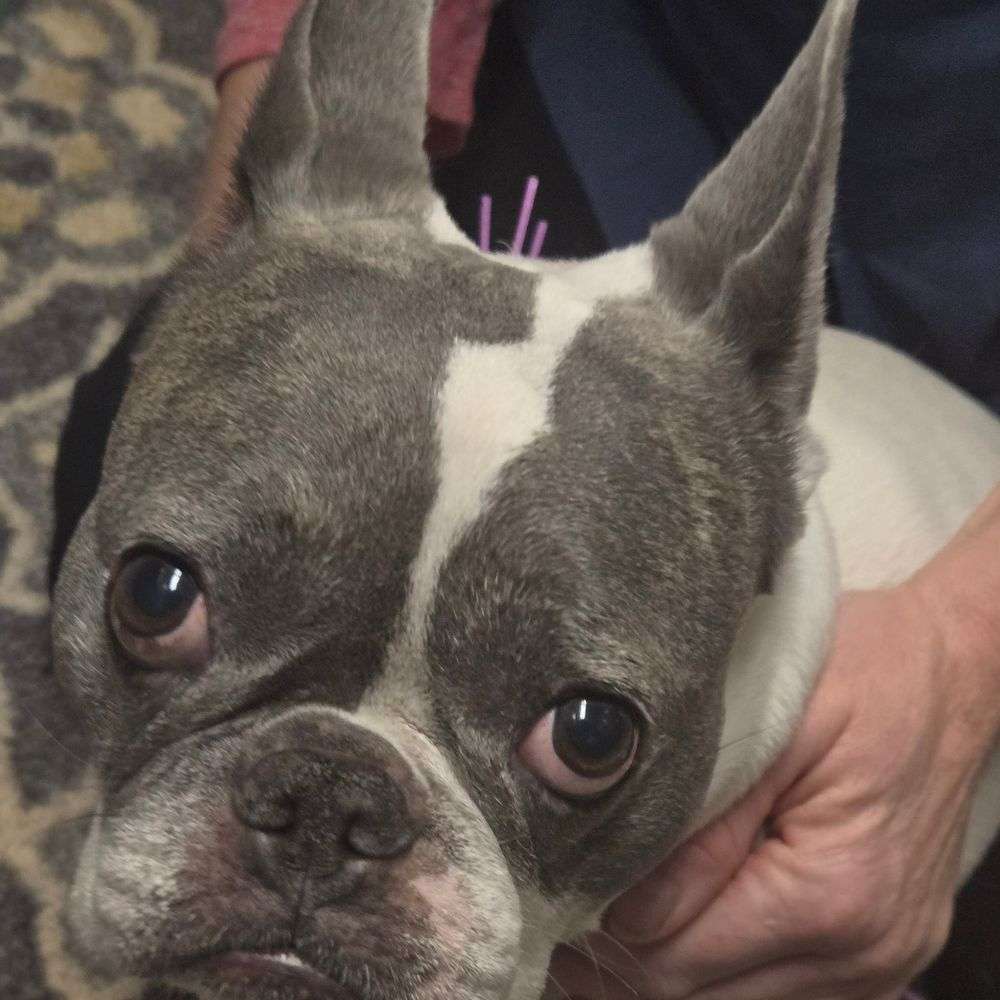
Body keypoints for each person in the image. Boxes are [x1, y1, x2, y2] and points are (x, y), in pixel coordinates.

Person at [51, 2, 1000, 999]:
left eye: (581, 737)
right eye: (164, 602)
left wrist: (959, 647)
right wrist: (245, 267)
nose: (319, 838)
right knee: (114, 435)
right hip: (634, 57)